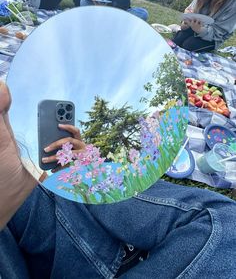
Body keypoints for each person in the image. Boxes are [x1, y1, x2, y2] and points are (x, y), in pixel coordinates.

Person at [1, 81, 236, 278]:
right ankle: (91, 178)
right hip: (101, 256)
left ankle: (90, 177)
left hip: (63, 208)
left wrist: (85, 173)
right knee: (225, 222)